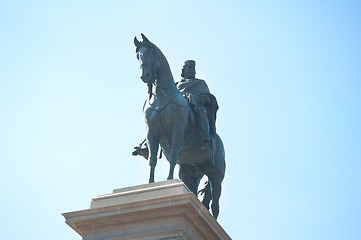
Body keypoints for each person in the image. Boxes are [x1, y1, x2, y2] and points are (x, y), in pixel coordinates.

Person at [176, 60, 219, 149]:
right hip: (177, 108)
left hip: (194, 107)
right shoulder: (176, 85)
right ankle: (148, 143)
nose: (192, 70)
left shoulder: (200, 83)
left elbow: (207, 97)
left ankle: (204, 136)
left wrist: (199, 99)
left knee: (201, 111)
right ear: (183, 71)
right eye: (189, 68)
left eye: (193, 68)